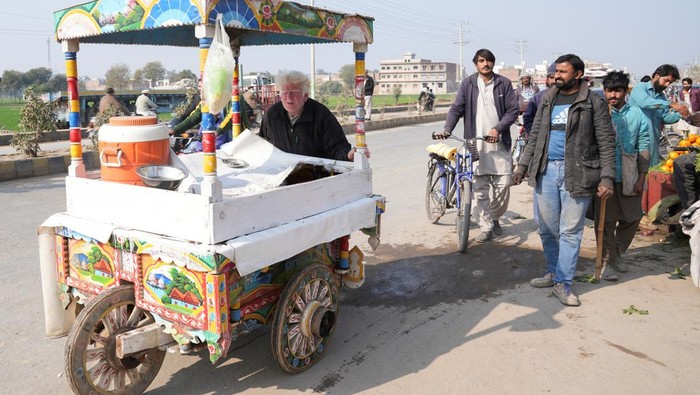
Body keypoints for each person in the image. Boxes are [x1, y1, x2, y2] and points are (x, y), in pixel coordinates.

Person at [512, 54, 615, 306]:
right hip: (545, 171)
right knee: (547, 229)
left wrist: (607, 177)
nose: (557, 76)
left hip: (578, 172)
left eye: (563, 72)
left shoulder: (593, 101)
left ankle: (564, 283)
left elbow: (605, 141)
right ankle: (552, 271)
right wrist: (523, 165)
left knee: (570, 230)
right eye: (556, 71)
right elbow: (535, 134)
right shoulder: (548, 98)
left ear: (578, 74)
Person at [436, 48, 519, 242]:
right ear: (476, 64)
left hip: (498, 144)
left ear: (493, 63)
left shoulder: (504, 84)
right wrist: (448, 128)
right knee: (479, 190)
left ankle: (495, 216)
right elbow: (457, 108)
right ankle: (486, 226)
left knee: (503, 187)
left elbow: (513, 110)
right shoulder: (468, 84)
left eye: (488, 60)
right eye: (481, 61)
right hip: (475, 144)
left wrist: (497, 129)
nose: (485, 64)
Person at [593, 71, 651, 280]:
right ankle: (608, 261)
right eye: (609, 90)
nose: (613, 95)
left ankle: (617, 252)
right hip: (604, 176)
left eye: (617, 91)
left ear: (626, 91)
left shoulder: (637, 115)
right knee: (605, 222)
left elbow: (644, 146)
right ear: (604, 91)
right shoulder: (598, 113)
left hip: (629, 174)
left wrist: (642, 177)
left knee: (633, 218)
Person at [259, 70, 366, 161]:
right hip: (282, 175)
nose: (288, 97)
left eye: (293, 92)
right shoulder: (272, 114)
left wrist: (348, 155)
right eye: (284, 92)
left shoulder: (321, 115)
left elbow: (337, 146)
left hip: (315, 176)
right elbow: (263, 143)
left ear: (305, 95)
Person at [629, 64, 690, 167]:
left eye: (669, 83)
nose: (667, 85)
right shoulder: (640, 88)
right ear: (657, 76)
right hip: (637, 145)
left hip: (653, 146)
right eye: (666, 80)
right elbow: (645, 102)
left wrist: (681, 113)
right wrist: (670, 103)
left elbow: (665, 117)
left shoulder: (661, 97)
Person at [523, 64, 556, 135]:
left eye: (557, 78)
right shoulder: (538, 97)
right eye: (551, 77)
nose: (554, 81)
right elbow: (528, 119)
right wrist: (535, 137)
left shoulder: (572, 98)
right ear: (547, 79)